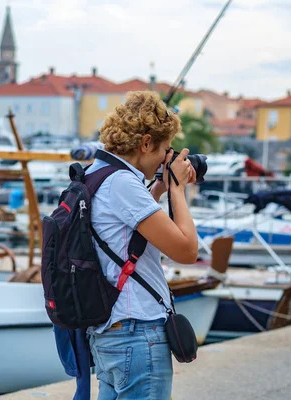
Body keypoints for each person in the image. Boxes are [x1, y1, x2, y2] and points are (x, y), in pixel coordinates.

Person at [81, 90, 198, 400]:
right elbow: (187, 251)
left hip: (111, 335)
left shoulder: (97, 174)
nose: (165, 158)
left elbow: (125, 234)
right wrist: (177, 189)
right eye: (164, 149)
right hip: (137, 333)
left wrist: (158, 188)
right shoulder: (123, 184)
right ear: (146, 143)